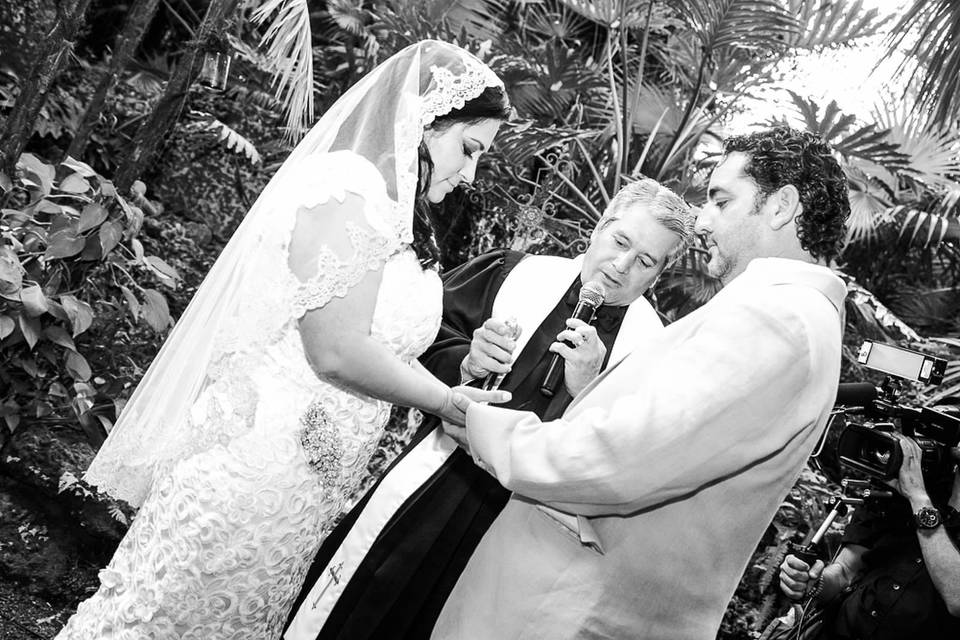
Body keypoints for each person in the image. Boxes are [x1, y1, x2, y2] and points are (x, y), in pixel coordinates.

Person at [55, 41, 511, 640]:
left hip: (300, 488)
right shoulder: (349, 191)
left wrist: (462, 367)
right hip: (255, 468)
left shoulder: (398, 213)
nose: (469, 172)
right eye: (468, 148)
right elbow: (336, 350)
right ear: (427, 120)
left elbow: (384, 341)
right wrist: (446, 402)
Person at [433, 126, 850, 640]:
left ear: (782, 206)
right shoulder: (789, 316)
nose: (703, 220)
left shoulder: (780, 322)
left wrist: (481, 426)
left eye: (721, 200)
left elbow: (622, 459)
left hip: (572, 607)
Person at [284, 178, 696, 640]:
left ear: (657, 275)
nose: (621, 266)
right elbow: (412, 339)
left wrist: (588, 392)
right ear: (599, 227)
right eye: (620, 241)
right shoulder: (512, 273)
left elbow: (623, 461)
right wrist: (465, 360)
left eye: (644, 261)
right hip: (438, 480)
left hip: (521, 530)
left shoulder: (651, 351)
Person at [779, 436, 960, 639]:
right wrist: (812, 582)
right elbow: (844, 572)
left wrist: (918, 499)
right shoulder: (902, 491)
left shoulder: (915, 493)